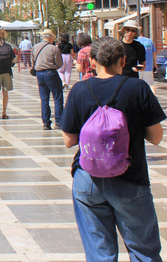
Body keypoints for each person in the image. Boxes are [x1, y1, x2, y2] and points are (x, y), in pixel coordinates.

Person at [61, 36, 165, 261]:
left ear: (92, 60)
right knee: (143, 250)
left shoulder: (79, 90)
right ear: (124, 60)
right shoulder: (138, 87)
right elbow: (156, 137)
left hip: (87, 179)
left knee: (100, 253)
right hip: (130, 178)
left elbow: (68, 140)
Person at [32, 29, 64, 130]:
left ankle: (46, 123)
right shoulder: (54, 48)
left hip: (39, 74)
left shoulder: (34, 47)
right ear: (51, 38)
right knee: (58, 98)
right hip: (51, 73)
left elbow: (32, 61)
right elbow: (59, 64)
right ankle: (58, 121)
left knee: (44, 99)